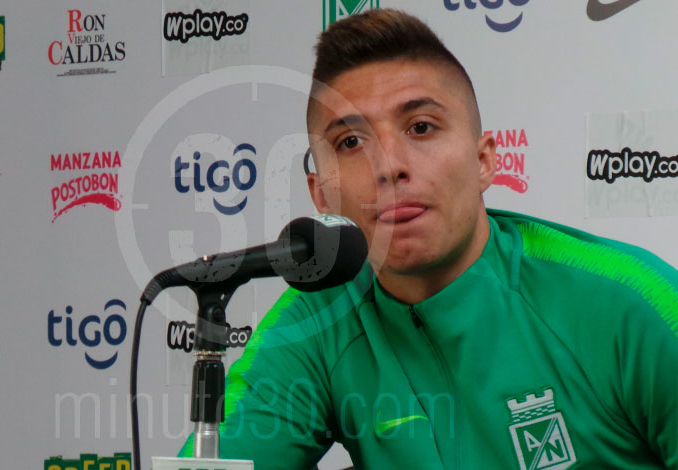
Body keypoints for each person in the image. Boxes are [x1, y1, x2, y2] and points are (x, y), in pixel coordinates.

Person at [179, 8, 678, 469]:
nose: (388, 165)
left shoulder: (627, 303)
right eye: (350, 142)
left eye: (420, 127)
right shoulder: (317, 320)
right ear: (320, 193)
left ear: (484, 161)